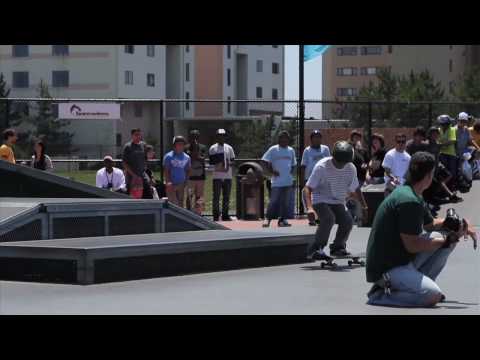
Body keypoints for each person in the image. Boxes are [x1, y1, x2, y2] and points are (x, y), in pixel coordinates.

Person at [366, 152, 477, 307]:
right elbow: (412, 245)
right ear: (428, 176)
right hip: (388, 268)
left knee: (443, 234)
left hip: (400, 260)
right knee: (432, 295)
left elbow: (430, 224)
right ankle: (379, 295)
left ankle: (415, 284)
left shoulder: (413, 194)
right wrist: (446, 240)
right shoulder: (408, 201)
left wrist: (458, 224)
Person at [304, 141, 368, 259]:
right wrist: (309, 208)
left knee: (348, 220)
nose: (340, 165)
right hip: (320, 199)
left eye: (344, 163)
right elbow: (307, 188)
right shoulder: (322, 167)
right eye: (338, 162)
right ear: (333, 156)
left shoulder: (351, 168)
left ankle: (338, 247)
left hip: (338, 201)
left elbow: (356, 188)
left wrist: (364, 206)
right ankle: (315, 249)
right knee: (329, 218)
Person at [262, 131, 297, 228]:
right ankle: (267, 219)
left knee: (285, 202)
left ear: (288, 139)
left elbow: (294, 164)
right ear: (279, 139)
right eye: (282, 137)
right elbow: (264, 160)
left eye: (286, 138)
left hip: (287, 181)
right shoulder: (273, 149)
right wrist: (271, 171)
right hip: (276, 181)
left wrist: (291, 174)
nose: (284, 139)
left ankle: (282, 220)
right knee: (273, 201)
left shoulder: (291, 150)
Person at [423, 127, 462, 207]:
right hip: (429, 168)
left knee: (448, 175)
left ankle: (442, 194)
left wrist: (453, 141)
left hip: (437, 166)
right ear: (429, 135)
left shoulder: (437, 144)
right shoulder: (426, 144)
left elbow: (446, 144)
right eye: (433, 133)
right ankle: (449, 195)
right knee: (437, 182)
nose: (435, 135)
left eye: (436, 133)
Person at [301, 130, 330, 225]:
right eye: (315, 137)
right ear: (311, 139)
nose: (317, 139)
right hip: (310, 178)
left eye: (319, 137)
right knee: (309, 197)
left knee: (321, 198)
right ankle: (312, 217)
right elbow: (303, 166)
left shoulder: (325, 149)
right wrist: (302, 180)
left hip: (323, 178)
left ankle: (320, 217)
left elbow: (329, 163)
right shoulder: (307, 150)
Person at [209, 129, 235, 221]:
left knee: (226, 196)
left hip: (228, 176)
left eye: (223, 135)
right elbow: (212, 162)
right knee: (216, 196)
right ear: (217, 137)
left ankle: (225, 215)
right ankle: (216, 215)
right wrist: (219, 163)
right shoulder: (213, 148)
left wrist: (229, 164)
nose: (221, 137)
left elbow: (232, 159)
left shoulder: (229, 148)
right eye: (219, 135)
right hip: (217, 176)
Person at [122, 128, 151, 199]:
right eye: (136, 135)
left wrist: (144, 169)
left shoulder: (143, 145)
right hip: (131, 176)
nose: (138, 137)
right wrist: (133, 175)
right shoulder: (128, 147)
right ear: (132, 136)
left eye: (139, 135)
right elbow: (124, 163)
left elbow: (146, 159)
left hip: (142, 175)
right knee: (130, 194)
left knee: (147, 191)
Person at [163, 136, 191, 207]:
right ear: (174, 145)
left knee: (180, 202)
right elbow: (166, 171)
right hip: (171, 184)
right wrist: (168, 182)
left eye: (182, 144)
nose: (180, 146)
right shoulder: (168, 156)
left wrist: (186, 182)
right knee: (172, 203)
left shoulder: (187, 157)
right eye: (178, 144)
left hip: (181, 183)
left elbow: (188, 170)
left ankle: (180, 217)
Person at [185, 130, 207, 215]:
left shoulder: (203, 147)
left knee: (199, 196)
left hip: (200, 176)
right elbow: (188, 159)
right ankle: (188, 213)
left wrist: (195, 154)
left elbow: (202, 159)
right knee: (189, 196)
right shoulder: (186, 147)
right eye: (192, 136)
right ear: (189, 138)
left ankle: (198, 213)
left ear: (199, 137)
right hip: (190, 177)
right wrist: (195, 155)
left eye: (196, 136)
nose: (194, 138)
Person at [437, 115, 458, 186]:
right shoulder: (439, 130)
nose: (446, 125)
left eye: (447, 123)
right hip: (441, 153)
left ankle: (452, 186)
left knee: (452, 172)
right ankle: (443, 186)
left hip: (451, 153)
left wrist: (441, 144)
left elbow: (452, 141)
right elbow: (436, 140)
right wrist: (442, 144)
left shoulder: (452, 129)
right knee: (443, 171)